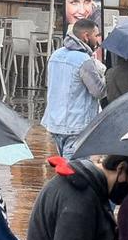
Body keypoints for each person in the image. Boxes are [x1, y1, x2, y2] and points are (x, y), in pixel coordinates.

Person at [41, 18, 106, 161]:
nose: (98, 41)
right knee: (74, 171)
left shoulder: (55, 55)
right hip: (76, 125)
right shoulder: (84, 60)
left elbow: (50, 84)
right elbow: (99, 91)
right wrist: (102, 73)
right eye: (96, 36)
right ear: (86, 36)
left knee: (65, 166)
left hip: (55, 123)